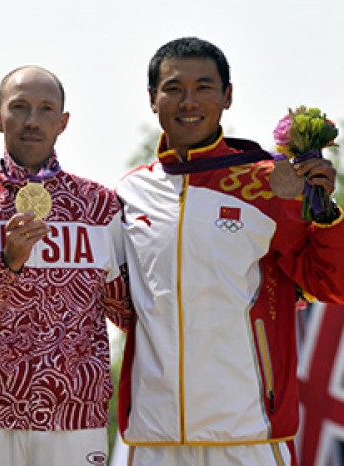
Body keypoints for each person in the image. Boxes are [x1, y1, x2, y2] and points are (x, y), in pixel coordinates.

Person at [115, 36, 344, 465]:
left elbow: (332, 284)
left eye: (203, 87)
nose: (188, 101)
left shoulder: (269, 184)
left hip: (248, 431)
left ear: (227, 96)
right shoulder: (129, 193)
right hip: (153, 437)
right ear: (152, 99)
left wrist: (326, 212)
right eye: (173, 88)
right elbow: (116, 300)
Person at [0, 65, 133, 466]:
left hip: (76, 416)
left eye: (45, 109)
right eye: (19, 107)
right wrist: (7, 264)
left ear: (63, 122)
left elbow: (132, 313)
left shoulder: (100, 207)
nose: (31, 121)